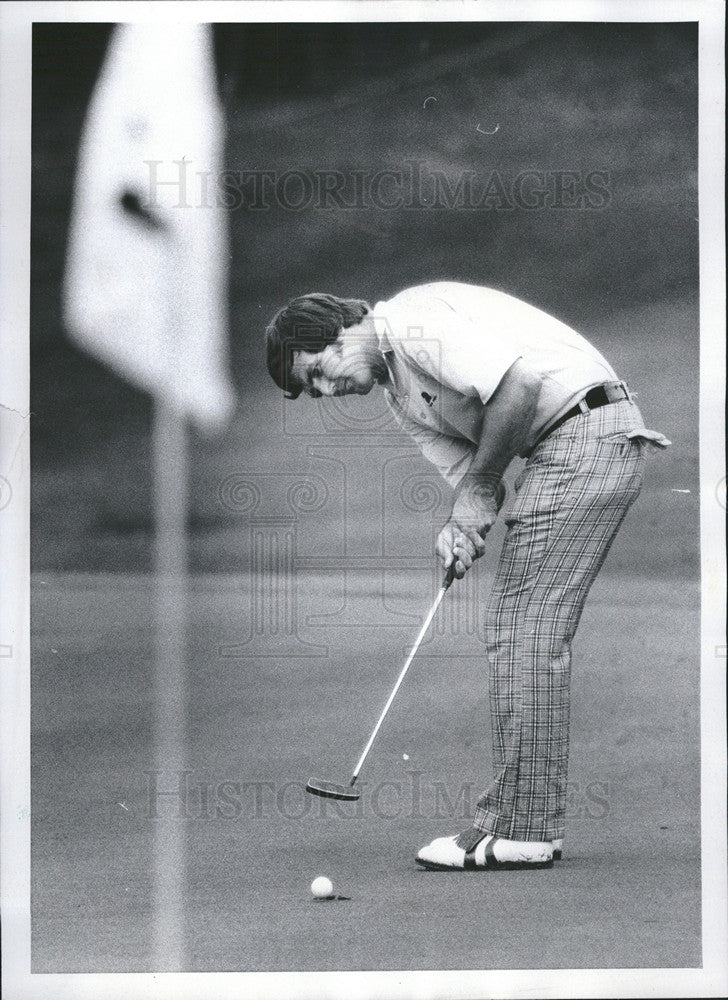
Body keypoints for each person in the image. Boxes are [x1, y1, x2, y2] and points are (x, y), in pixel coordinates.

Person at [265, 281, 670, 870]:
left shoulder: (412, 321)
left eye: (321, 367)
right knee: (518, 628)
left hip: (586, 432)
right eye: (315, 389)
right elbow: (477, 481)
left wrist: (478, 493)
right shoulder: (400, 398)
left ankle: (523, 828)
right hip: (567, 447)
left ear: (343, 328)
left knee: (524, 629)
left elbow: (518, 386)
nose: (330, 388)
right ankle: (529, 824)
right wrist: (460, 528)